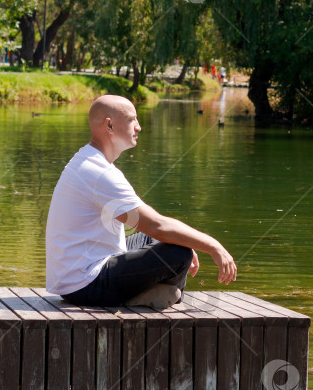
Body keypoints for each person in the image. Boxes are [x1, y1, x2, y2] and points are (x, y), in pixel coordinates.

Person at [45, 95, 237, 309]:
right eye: (132, 120)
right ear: (109, 125)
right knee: (178, 253)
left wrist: (187, 240)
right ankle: (145, 295)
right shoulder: (98, 173)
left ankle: (149, 293)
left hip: (80, 277)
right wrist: (213, 246)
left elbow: (148, 225)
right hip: (85, 285)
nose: (139, 127)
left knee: (172, 240)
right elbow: (158, 226)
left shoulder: (91, 162)